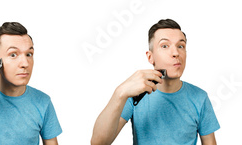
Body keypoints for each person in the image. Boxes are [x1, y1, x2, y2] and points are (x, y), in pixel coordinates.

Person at [91, 19, 220, 145]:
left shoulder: (200, 97)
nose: (176, 53)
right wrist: (120, 93)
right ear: (150, 57)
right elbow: (98, 142)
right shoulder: (135, 96)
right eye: (165, 46)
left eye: (181, 46)